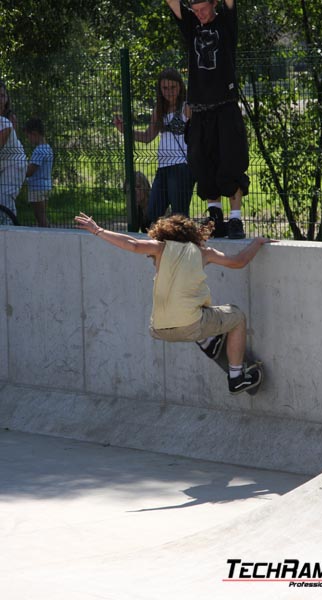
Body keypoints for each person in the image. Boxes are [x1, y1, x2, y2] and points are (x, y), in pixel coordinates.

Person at [74, 212, 275, 394]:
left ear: (163, 233)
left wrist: (98, 230)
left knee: (191, 300)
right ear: (192, 234)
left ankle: (209, 342)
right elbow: (238, 262)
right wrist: (256, 242)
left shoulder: (160, 248)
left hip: (158, 329)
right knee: (236, 316)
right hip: (191, 325)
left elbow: (133, 244)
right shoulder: (204, 252)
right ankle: (236, 377)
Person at [165, 0, 249, 240]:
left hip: (225, 107)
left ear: (214, 4)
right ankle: (215, 217)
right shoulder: (191, 25)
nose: (200, 14)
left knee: (231, 163)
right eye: (196, 10)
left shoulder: (226, 22)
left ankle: (235, 220)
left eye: (204, 9)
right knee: (202, 164)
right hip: (200, 111)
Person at [114, 68, 195, 226]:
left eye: (173, 87)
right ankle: (166, 242)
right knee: (152, 213)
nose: (169, 92)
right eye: (165, 88)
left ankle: (184, 244)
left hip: (181, 166)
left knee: (180, 214)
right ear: (160, 89)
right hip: (163, 167)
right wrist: (126, 131)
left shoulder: (187, 107)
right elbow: (147, 137)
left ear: (180, 87)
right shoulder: (159, 110)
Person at [0, 81, 27, 225]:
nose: (1, 100)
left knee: (3, 197)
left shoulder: (7, 121)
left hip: (14, 163)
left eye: (3, 96)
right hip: (2, 162)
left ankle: (12, 230)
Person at [24, 117, 53, 227]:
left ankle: (47, 236)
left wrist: (19, 171)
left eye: (28, 136)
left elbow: (30, 171)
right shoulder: (47, 148)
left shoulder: (39, 150)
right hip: (46, 185)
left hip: (37, 187)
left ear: (34, 133)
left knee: (40, 216)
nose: (28, 139)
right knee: (42, 215)